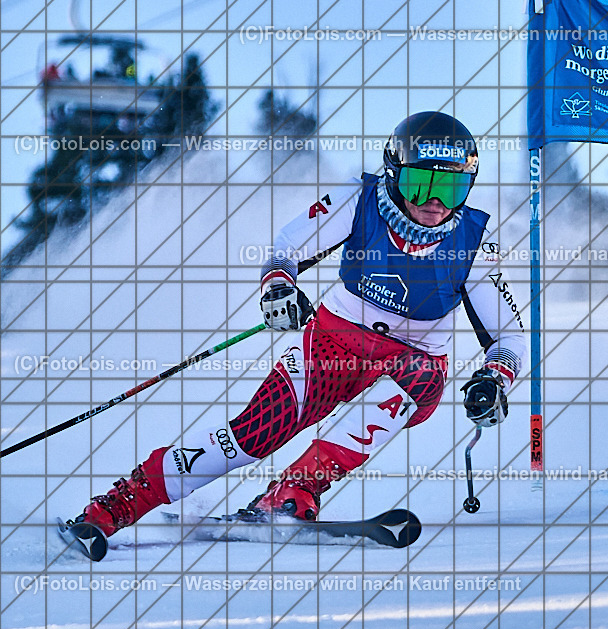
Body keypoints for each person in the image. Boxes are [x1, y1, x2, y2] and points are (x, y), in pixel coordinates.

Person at [67, 111, 526, 538]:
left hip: (409, 365)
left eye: (451, 189)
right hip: (330, 347)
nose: (434, 203)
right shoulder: (359, 199)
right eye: (420, 183)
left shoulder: (475, 243)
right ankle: (118, 505)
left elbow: (507, 336)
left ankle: (294, 492)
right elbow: (287, 246)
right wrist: (278, 286)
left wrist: (494, 378)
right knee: (253, 435)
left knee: (423, 375)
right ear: (394, 174)